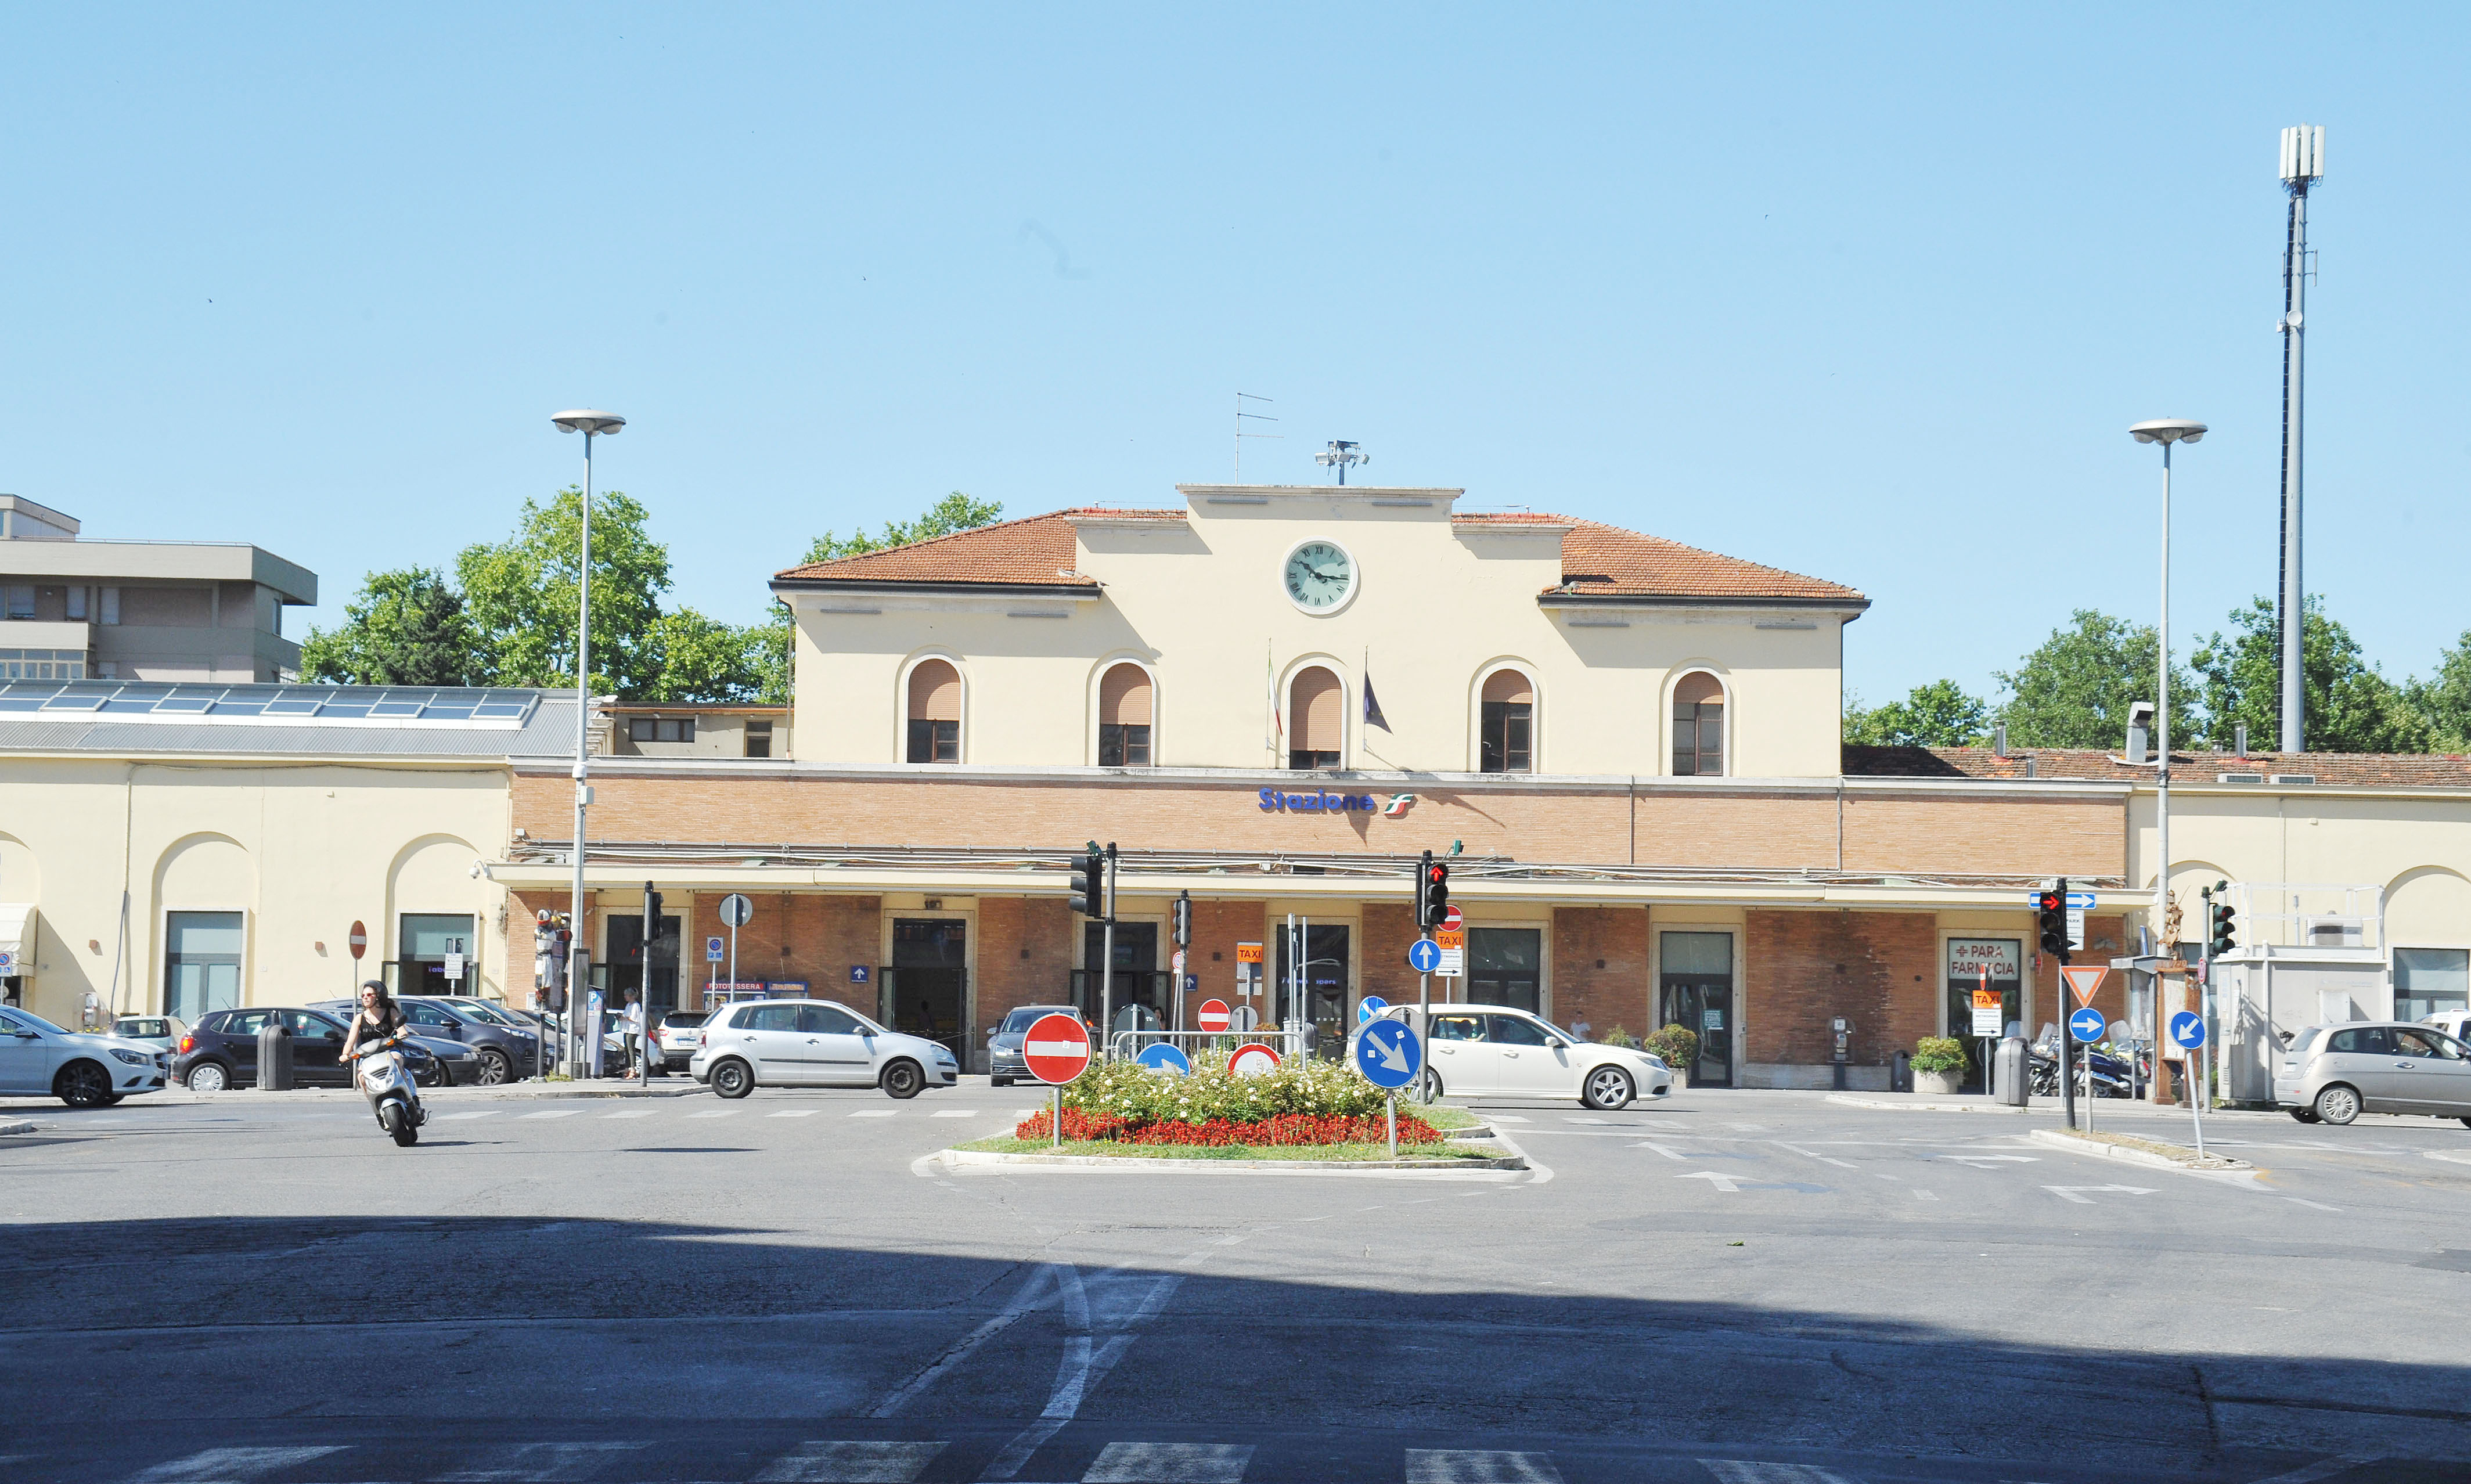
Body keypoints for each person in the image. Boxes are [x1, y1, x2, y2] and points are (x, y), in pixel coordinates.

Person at [339, 980, 406, 1065]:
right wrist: (345, 1055)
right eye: (363, 996)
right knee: (361, 1074)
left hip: (390, 1050)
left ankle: (404, 1079)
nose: (365, 998)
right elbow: (350, 1042)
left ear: (378, 996)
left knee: (397, 1062)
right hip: (368, 1054)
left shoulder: (391, 1012)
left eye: (369, 995)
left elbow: (402, 1031)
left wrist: (400, 1035)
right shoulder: (359, 1018)